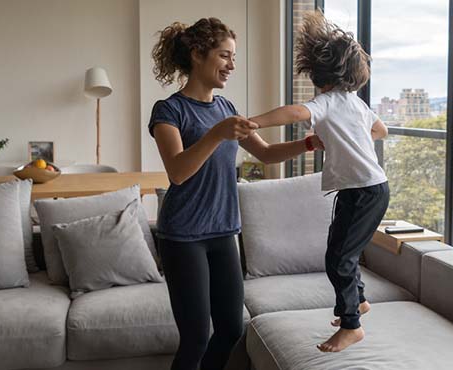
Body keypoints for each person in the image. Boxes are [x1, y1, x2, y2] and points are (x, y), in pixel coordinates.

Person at [149, 17, 324, 370]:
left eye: (233, 57)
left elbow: (267, 154)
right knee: (196, 336)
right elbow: (178, 172)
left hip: (224, 231)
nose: (231, 65)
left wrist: (309, 143)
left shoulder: (227, 109)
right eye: (224, 55)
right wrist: (216, 134)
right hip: (183, 236)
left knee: (230, 329)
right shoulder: (169, 110)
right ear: (198, 54)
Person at [249, 10, 389, 352]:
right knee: (342, 251)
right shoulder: (356, 104)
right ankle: (358, 302)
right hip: (371, 189)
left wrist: (254, 122)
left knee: (338, 257)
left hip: (363, 191)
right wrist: (354, 138)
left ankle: (352, 325)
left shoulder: (327, 102)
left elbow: (296, 113)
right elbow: (381, 131)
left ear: (319, 73)